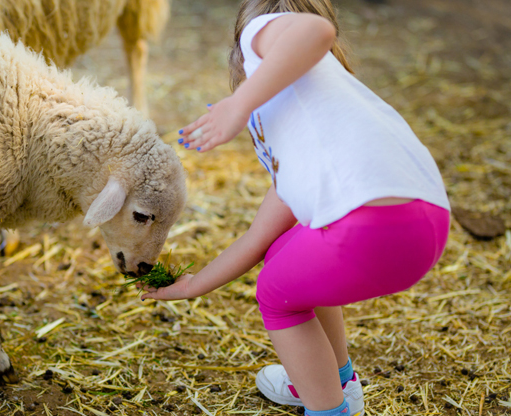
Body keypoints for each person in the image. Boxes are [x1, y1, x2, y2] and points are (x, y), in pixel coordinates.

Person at [139, 1, 451, 415]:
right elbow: (257, 239)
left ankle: (330, 409)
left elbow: (316, 30)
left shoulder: (260, 34)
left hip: (372, 230)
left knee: (275, 293)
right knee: (283, 252)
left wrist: (239, 104)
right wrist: (194, 285)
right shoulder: (314, 129)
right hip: (428, 222)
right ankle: (337, 383)